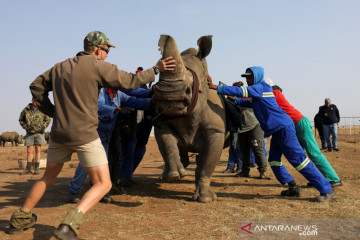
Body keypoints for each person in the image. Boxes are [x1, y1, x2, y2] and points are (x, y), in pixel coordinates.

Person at [7, 31, 175, 240]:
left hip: (59, 134)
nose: (106, 55)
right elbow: (130, 81)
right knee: (103, 184)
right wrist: (156, 69)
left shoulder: (59, 66)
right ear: (97, 49)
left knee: (47, 177)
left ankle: (20, 219)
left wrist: (54, 112)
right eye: (106, 51)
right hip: (85, 134)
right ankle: (69, 225)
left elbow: (36, 86)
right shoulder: (98, 66)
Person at [207, 66, 336, 202]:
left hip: (283, 129)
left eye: (250, 77)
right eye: (246, 77)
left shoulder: (261, 87)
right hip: (277, 131)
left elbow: (241, 91)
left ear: (257, 76)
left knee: (299, 161)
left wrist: (217, 88)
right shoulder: (258, 92)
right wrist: (234, 100)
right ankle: (292, 187)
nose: (247, 80)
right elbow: (249, 102)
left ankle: (327, 190)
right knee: (274, 161)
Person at [68, 87, 151, 204]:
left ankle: (103, 193)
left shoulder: (119, 95)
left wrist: (153, 101)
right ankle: (74, 190)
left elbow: (134, 101)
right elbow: (99, 106)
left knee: (104, 165)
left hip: (106, 136)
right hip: (93, 134)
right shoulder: (100, 92)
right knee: (86, 164)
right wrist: (116, 109)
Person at [268, 81, 342, 187]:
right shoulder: (272, 101)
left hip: (300, 124)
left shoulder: (275, 94)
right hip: (293, 128)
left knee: (314, 153)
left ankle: (334, 179)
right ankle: (317, 180)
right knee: (299, 156)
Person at [18, 99, 51, 175]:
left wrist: (43, 127)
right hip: (29, 133)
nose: (35, 102)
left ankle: (36, 168)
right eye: (34, 100)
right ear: (32, 100)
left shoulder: (43, 109)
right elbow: (21, 119)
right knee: (29, 151)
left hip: (40, 133)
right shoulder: (26, 109)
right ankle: (28, 169)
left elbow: (48, 120)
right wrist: (26, 127)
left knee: (38, 150)